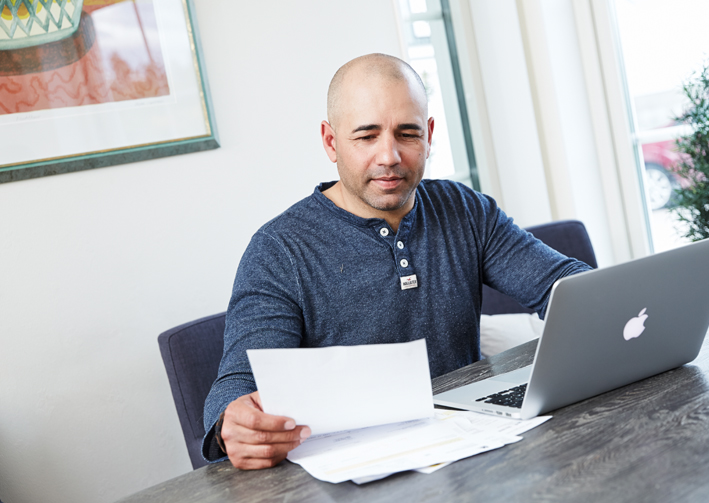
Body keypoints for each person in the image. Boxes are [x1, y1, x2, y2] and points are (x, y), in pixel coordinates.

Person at [202, 53, 591, 469]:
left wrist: (615, 311)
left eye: (406, 134)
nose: (389, 156)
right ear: (331, 141)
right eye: (367, 136)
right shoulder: (279, 250)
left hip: (474, 449)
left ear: (428, 135)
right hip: (359, 468)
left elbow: (565, 288)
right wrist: (233, 422)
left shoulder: (464, 209)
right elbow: (238, 384)